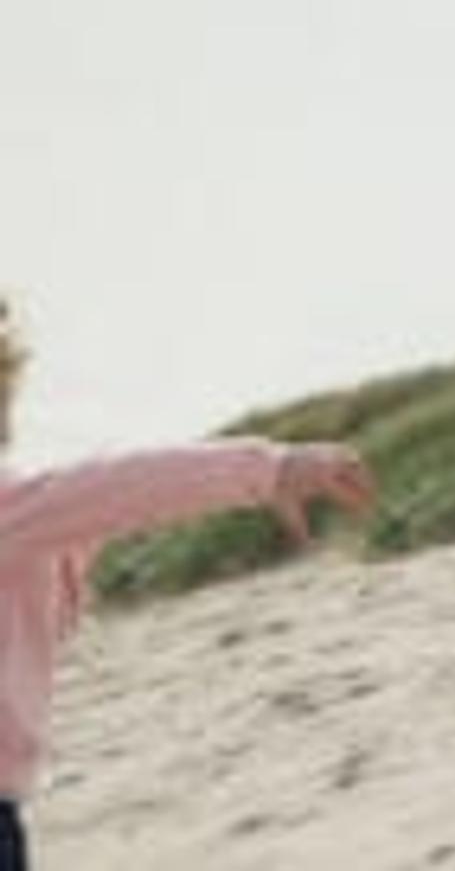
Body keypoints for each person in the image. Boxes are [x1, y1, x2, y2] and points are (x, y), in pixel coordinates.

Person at [1, 296, 379, 869]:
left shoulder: (26, 509)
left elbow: (123, 492)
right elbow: (122, 485)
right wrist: (268, 470)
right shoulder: (18, 509)